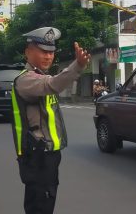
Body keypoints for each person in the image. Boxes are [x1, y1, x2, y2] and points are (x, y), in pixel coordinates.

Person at [11, 26, 90, 214]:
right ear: (28, 52)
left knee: (47, 202)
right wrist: (77, 65)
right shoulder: (26, 80)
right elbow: (53, 85)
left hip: (49, 154)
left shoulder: (40, 76)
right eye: (43, 51)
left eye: (52, 52)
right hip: (37, 156)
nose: (48, 56)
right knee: (39, 206)